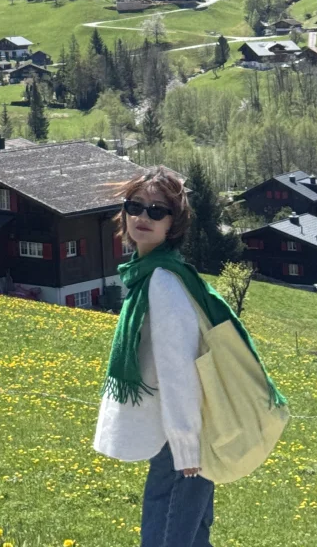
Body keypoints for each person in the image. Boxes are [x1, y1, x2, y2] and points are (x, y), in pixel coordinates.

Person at [92, 165, 212, 547]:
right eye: (135, 206)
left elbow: (179, 371)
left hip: (178, 440)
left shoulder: (161, 282)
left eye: (158, 210)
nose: (144, 217)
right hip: (181, 433)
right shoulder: (151, 274)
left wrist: (186, 446)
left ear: (173, 224)